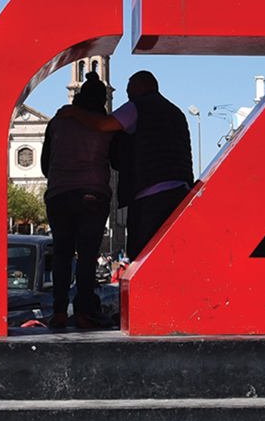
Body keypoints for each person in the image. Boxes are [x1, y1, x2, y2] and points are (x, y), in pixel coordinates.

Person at [41, 76, 118, 328]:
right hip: (94, 194)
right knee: (87, 255)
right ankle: (84, 311)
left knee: (62, 253)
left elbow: (45, 163)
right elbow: (116, 160)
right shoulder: (105, 125)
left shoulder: (57, 122)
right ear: (101, 99)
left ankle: (59, 311)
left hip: (59, 194)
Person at [110, 71, 195, 260]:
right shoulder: (176, 112)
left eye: (129, 90)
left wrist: (74, 114)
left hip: (148, 193)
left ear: (139, 86)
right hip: (179, 192)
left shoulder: (136, 107)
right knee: (171, 253)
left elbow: (104, 125)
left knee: (141, 255)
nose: (127, 95)